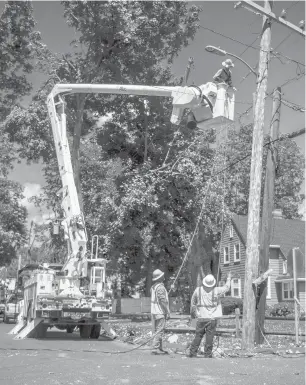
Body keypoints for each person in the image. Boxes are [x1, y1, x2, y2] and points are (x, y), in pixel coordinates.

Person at [187, 272, 232, 358]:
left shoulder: (198, 290)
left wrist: (193, 315)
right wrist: (229, 278)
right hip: (212, 318)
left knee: (198, 336)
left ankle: (192, 352)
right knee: (209, 337)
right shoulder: (216, 290)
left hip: (201, 317)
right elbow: (227, 288)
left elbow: (193, 303)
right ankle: (207, 354)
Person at [150, 269, 171, 355]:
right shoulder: (161, 287)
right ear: (160, 277)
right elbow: (162, 300)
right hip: (160, 312)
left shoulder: (153, 287)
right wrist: (167, 311)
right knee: (160, 330)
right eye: (162, 275)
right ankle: (155, 348)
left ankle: (160, 347)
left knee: (157, 330)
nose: (163, 276)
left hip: (154, 311)